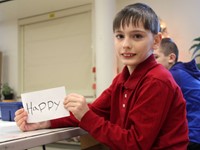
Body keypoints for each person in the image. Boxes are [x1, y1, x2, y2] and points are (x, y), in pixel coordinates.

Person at [15, 3, 189, 149]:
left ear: (156, 41)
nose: (126, 44)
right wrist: (45, 122)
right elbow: (94, 111)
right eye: (120, 36)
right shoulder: (123, 79)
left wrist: (86, 116)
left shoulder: (157, 80)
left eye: (137, 36)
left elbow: (136, 143)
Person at [154, 37, 200, 150]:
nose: (152, 62)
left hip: (193, 135)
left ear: (171, 58)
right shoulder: (183, 72)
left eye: (156, 57)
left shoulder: (173, 76)